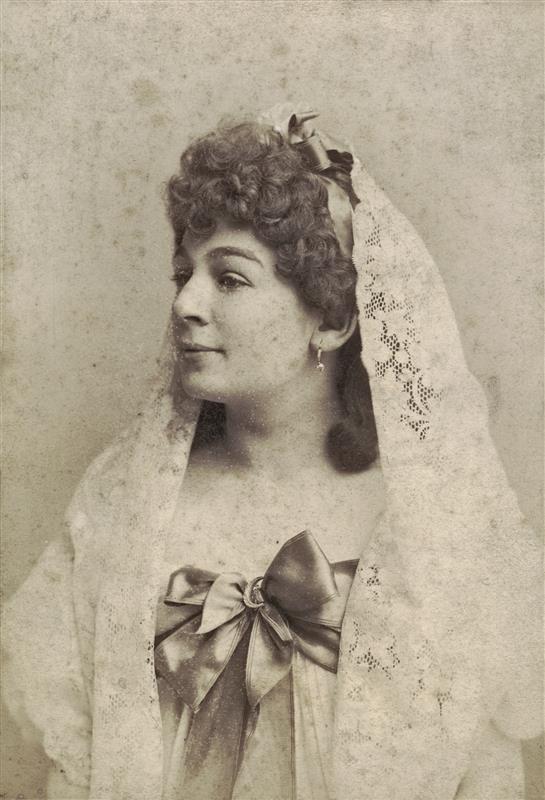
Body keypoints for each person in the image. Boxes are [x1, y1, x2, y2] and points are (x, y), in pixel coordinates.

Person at [2, 105, 542, 800]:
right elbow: (73, 769)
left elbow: (487, 776)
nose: (187, 303)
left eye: (229, 279)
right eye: (183, 274)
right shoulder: (127, 502)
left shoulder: (427, 521)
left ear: (331, 321)